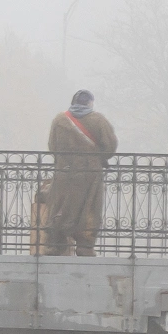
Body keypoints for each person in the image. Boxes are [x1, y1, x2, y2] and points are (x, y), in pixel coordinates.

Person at [43, 89, 118, 257]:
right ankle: (85, 246)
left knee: (60, 207)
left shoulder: (59, 120)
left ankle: (56, 244)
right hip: (90, 174)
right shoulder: (98, 120)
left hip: (64, 173)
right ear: (90, 103)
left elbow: (52, 146)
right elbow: (110, 147)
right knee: (89, 209)